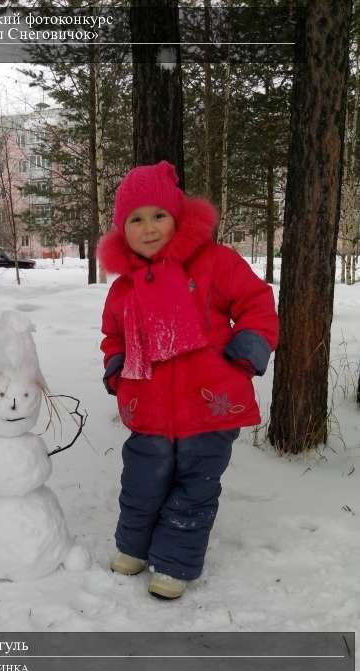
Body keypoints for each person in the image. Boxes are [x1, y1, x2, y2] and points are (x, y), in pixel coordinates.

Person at [97, 161, 279, 600]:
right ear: (123, 231)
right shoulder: (125, 287)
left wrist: (243, 356)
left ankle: (174, 565)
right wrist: (118, 372)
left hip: (210, 406)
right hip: (149, 409)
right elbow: (113, 335)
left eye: (158, 215)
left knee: (194, 489)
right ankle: (134, 548)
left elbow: (257, 303)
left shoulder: (215, 263)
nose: (149, 227)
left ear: (178, 217)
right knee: (141, 482)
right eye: (136, 220)